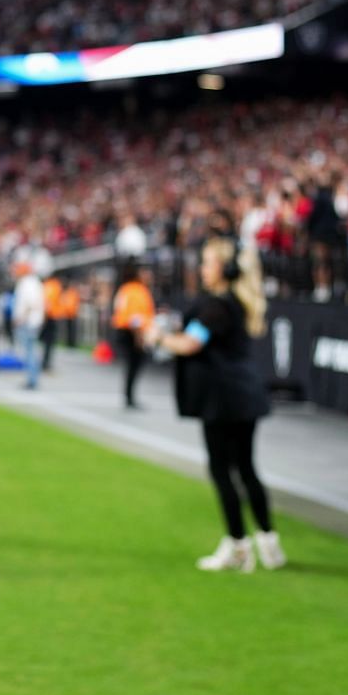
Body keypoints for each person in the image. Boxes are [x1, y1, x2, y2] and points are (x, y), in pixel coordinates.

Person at [148, 239, 282, 573]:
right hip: (242, 396)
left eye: (207, 263)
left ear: (224, 268)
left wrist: (158, 337)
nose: (202, 269)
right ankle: (268, 542)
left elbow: (191, 343)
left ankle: (238, 545)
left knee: (223, 470)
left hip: (223, 400)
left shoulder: (218, 306)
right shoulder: (230, 304)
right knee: (247, 468)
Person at [111, 262, 155, 410]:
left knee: (132, 366)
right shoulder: (138, 291)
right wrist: (139, 337)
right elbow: (135, 318)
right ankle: (130, 396)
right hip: (132, 332)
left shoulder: (126, 289)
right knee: (134, 365)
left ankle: (129, 395)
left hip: (124, 330)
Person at [12, 261, 46, 390]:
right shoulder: (34, 283)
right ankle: (31, 378)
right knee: (31, 350)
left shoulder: (27, 283)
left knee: (29, 351)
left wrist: (21, 318)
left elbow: (30, 304)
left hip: (28, 322)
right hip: (33, 321)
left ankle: (32, 379)